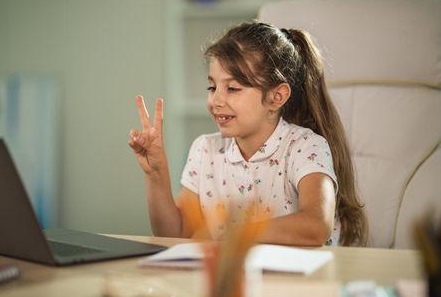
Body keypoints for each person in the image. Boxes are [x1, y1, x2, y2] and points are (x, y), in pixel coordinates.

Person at [129, 20, 368, 246]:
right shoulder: (205, 150)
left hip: (297, 284)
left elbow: (316, 225)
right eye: (212, 87)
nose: (216, 100)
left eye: (232, 88)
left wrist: (237, 234)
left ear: (276, 97)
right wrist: (156, 174)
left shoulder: (305, 147)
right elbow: (176, 234)